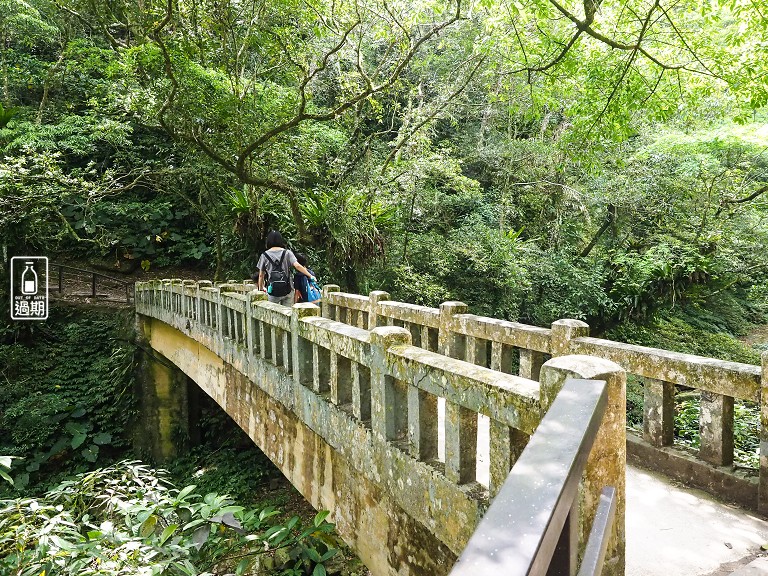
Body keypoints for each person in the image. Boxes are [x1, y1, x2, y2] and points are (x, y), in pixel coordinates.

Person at [255, 231, 315, 306]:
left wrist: (261, 289)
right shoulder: (287, 253)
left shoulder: (264, 255)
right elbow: (297, 266)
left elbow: (261, 275)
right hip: (288, 289)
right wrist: (310, 275)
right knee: (288, 312)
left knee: (272, 313)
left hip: (273, 290)